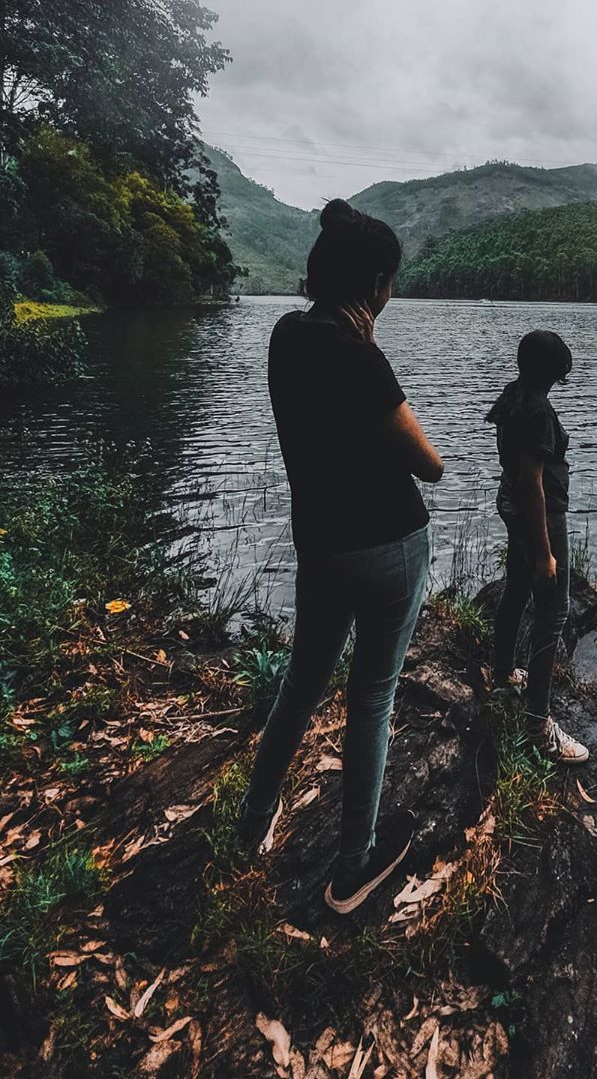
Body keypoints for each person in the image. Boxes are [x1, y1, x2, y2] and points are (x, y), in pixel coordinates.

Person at [236, 198, 444, 915]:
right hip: (388, 547)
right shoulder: (363, 357)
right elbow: (429, 464)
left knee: (301, 686)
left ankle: (249, 829)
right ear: (378, 282)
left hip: (319, 546)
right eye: (391, 282)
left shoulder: (286, 336)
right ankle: (352, 868)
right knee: (372, 697)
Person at [485, 330, 589, 764]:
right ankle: (539, 726)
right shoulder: (540, 411)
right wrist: (545, 552)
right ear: (553, 373)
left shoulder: (514, 395)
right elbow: (533, 482)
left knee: (515, 590)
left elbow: (514, 469)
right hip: (538, 517)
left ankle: (504, 673)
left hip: (511, 503)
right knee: (552, 614)